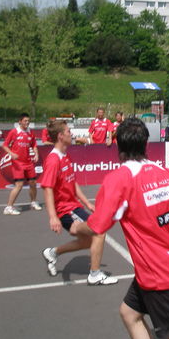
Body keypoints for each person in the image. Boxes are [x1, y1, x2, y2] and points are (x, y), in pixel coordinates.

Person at [71, 118, 169, 339]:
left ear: (117, 146)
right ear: (146, 144)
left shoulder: (119, 179)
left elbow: (96, 227)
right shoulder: (165, 173)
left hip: (159, 275)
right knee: (129, 313)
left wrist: (76, 227)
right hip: (163, 267)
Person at [39, 120, 117, 285]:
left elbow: (72, 182)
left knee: (88, 241)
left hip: (74, 207)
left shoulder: (64, 155)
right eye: (68, 131)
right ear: (60, 136)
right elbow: (47, 188)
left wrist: (86, 203)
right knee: (99, 230)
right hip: (65, 210)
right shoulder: (53, 160)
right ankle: (94, 274)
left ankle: (53, 253)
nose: (71, 134)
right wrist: (53, 217)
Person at [1, 113, 42, 215]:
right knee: (19, 185)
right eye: (25, 121)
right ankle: (9, 207)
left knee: (33, 183)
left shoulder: (30, 133)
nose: (27, 123)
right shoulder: (14, 132)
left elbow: (34, 145)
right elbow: (4, 145)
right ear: (20, 121)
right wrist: (11, 153)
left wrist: (36, 154)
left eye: (28, 121)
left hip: (28, 162)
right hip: (18, 163)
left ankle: (33, 202)